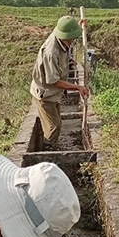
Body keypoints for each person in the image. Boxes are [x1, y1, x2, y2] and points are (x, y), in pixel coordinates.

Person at [30, 16, 90, 151]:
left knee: (57, 123)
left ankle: (52, 145)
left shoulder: (61, 38)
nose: (74, 39)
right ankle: (47, 151)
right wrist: (77, 87)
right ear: (67, 38)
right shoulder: (51, 52)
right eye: (73, 37)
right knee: (53, 127)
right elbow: (53, 81)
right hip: (45, 93)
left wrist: (79, 26)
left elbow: (67, 36)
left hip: (53, 93)